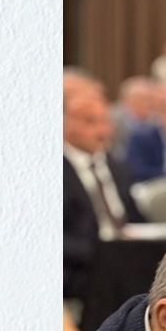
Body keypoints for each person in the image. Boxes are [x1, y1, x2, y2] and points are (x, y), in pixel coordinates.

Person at [64, 93, 143, 300]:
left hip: (126, 255)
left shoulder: (118, 167)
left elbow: (135, 218)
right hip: (80, 266)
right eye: (90, 122)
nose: (102, 131)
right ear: (64, 123)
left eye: (105, 122)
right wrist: (102, 251)